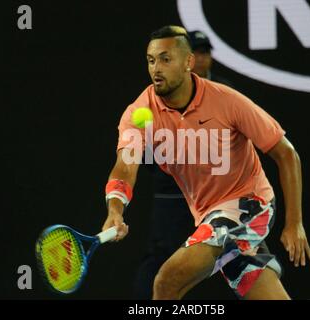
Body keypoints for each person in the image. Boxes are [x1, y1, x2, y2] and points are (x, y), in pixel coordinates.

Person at [102, 25, 310, 300]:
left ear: (188, 62)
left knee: (166, 282)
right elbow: (125, 166)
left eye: (166, 59)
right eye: (151, 60)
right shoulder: (139, 113)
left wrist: (294, 222)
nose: (156, 68)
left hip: (249, 202)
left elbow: (286, 154)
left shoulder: (226, 100)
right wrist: (115, 211)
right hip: (207, 214)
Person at [132, 30, 235, 300]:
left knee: (239, 258)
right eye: (196, 52)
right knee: (159, 265)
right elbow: (142, 161)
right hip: (173, 196)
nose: (200, 59)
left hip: (218, 198)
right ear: (186, 59)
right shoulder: (155, 100)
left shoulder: (225, 94)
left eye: (205, 53)